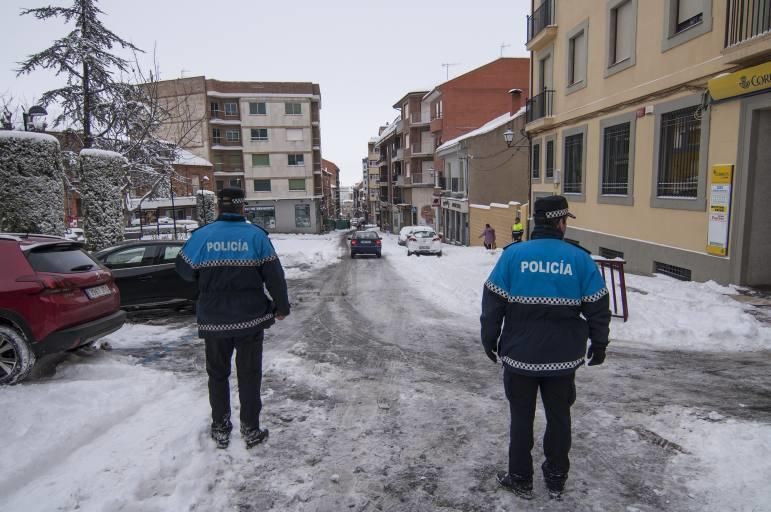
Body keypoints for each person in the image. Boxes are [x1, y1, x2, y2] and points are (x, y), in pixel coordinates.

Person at [480, 195, 610, 501]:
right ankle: (555, 478)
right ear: (560, 221)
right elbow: (598, 307)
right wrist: (599, 344)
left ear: (537, 221)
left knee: (521, 419)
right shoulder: (579, 259)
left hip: (519, 357)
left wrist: (490, 338)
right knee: (559, 418)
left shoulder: (513, 256)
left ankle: (521, 478)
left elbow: (492, 302)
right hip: (562, 360)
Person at [176, 188, 290, 450]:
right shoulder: (256, 237)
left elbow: (182, 271)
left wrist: (203, 288)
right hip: (250, 320)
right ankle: (250, 429)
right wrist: (281, 306)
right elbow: (274, 276)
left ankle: (220, 427)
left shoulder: (201, 237)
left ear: (219, 207)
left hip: (213, 320)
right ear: (242, 208)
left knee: (217, 374)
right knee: (249, 375)